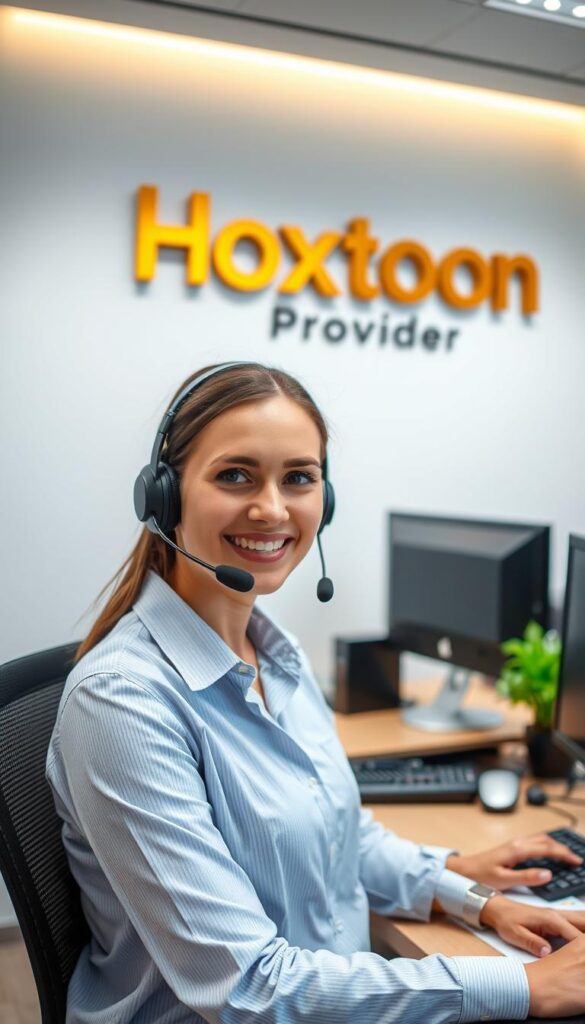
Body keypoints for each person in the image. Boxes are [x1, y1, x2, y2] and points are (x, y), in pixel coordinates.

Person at [47, 361, 585, 1024]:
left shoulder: (277, 654)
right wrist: (522, 988)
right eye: (234, 475)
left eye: (298, 477)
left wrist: (474, 898)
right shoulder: (123, 702)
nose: (271, 508)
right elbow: (248, 988)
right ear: (163, 496)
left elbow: (340, 834)